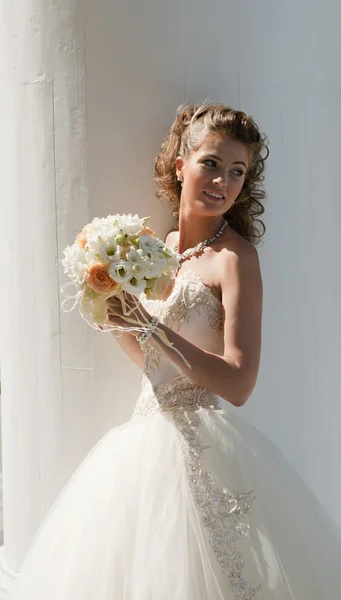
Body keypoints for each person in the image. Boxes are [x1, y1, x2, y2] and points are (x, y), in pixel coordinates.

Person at [9, 102, 341, 599]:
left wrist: (149, 326)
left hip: (206, 443)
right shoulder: (153, 249)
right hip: (141, 440)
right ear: (180, 164)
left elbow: (239, 382)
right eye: (211, 163)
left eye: (237, 171)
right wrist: (116, 314)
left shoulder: (236, 259)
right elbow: (153, 360)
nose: (223, 181)